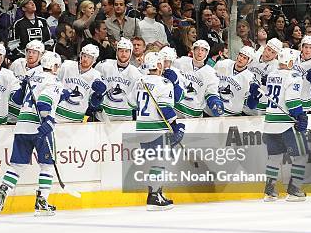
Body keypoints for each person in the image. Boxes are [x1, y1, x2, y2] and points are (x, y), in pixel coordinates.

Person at [0, 51, 64, 216]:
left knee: (17, 166)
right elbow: (44, 102)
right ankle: (41, 202)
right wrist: (48, 120)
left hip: (22, 126)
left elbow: (18, 99)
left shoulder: (32, 77)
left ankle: (3, 190)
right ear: (54, 66)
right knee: (46, 166)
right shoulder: (54, 81)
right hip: (39, 128)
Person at [128, 51, 184, 210]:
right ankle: (153, 198)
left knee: (153, 164)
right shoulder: (164, 82)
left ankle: (157, 193)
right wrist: (175, 126)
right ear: (159, 65)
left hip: (141, 127)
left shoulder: (139, 80)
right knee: (160, 163)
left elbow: (131, 102)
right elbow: (165, 108)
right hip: (157, 127)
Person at [262, 48, 309, 202]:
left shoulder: (272, 75)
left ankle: (269, 191)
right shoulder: (294, 76)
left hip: (270, 123)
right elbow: (292, 101)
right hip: (287, 124)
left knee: (274, 157)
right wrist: (300, 116)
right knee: (301, 155)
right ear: (290, 62)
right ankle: (294, 190)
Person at [172, 40, 223, 118]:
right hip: (175, 112)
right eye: (197, 49)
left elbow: (211, 92)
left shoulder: (211, 73)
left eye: (203, 50)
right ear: (193, 50)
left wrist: (215, 101)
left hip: (194, 115)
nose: (200, 52)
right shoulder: (180, 63)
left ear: (207, 53)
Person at [94, 37, 142, 121]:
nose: (123, 54)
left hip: (125, 119)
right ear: (117, 52)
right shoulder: (103, 66)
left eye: (126, 51)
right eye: (121, 51)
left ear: (130, 53)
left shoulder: (136, 73)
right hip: (103, 117)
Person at [56, 44, 105, 123]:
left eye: (89, 57)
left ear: (94, 60)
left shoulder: (96, 75)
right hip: (58, 115)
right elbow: (54, 81)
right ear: (81, 55)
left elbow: (93, 101)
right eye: (84, 56)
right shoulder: (66, 66)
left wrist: (97, 97)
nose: (85, 59)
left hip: (77, 119)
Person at [212, 46, 259, 116]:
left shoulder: (250, 78)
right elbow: (210, 80)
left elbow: (251, 105)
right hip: (212, 110)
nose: (241, 59)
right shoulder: (223, 64)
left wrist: (254, 97)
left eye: (245, 58)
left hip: (231, 115)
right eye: (240, 55)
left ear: (250, 61)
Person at [244, 38, 282, 116]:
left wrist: (269, 81)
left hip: (262, 104)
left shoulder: (276, 66)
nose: (269, 53)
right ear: (265, 48)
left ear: (276, 55)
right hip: (245, 97)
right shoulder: (253, 56)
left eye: (273, 52)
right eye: (268, 49)